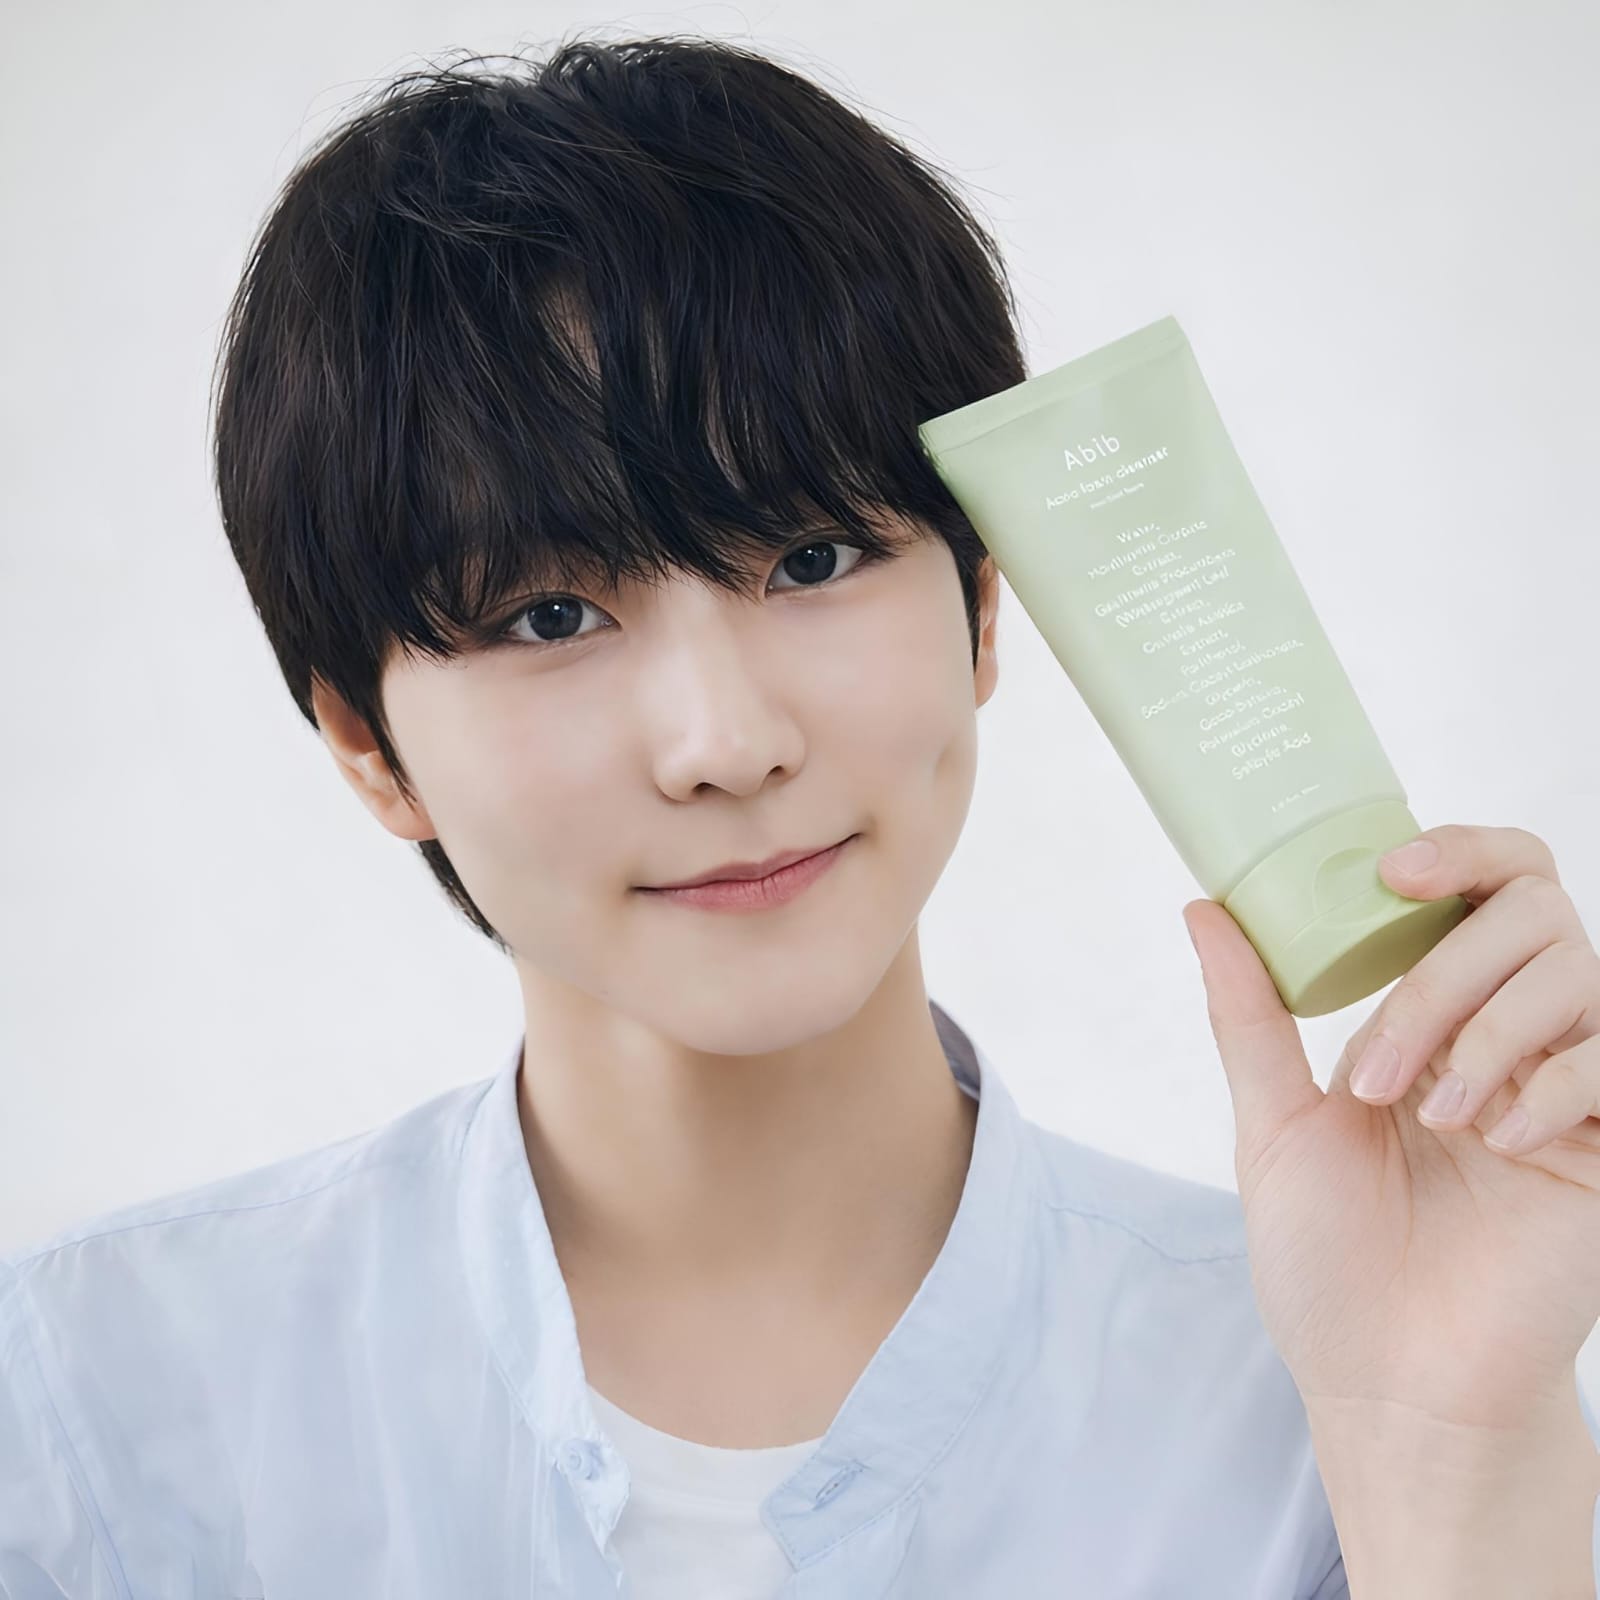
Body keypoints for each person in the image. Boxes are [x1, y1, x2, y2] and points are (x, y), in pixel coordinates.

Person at [0, 36, 1359, 1598]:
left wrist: (1457, 1450)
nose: (728, 743)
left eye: (811, 560)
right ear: (371, 749)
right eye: (552, 617)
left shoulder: (1327, 1387)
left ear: (983, 609)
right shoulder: (95, 1415)